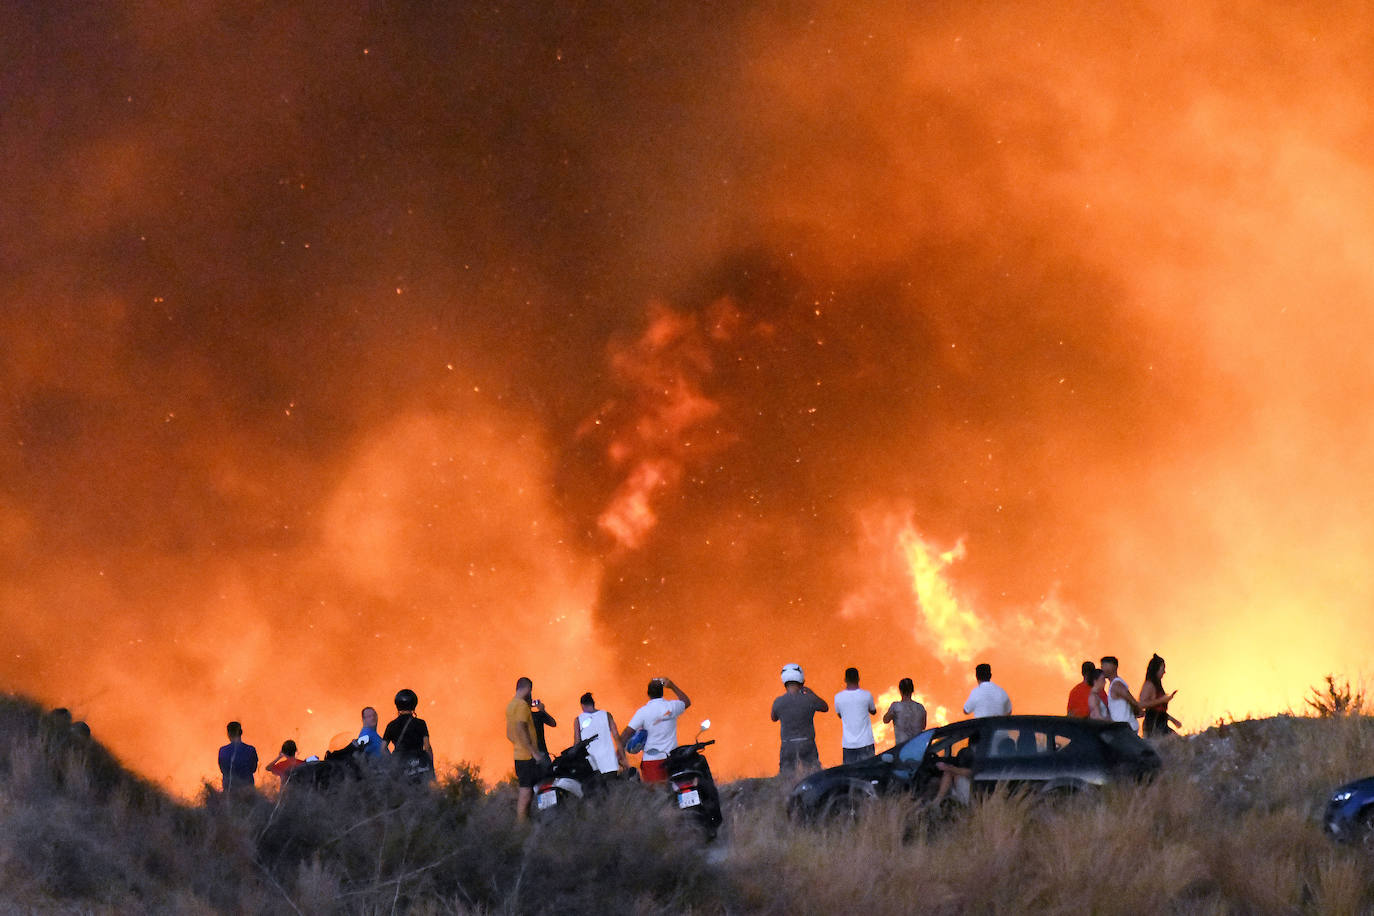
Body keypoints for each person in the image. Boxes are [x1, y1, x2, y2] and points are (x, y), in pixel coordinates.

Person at [621, 676, 691, 783]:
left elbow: (627, 733)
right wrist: (672, 686)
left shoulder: (643, 712)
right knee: (675, 790)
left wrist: (618, 752)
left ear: (648, 693)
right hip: (672, 759)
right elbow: (686, 701)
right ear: (662, 692)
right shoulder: (672, 706)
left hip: (651, 761)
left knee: (655, 794)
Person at [771, 663, 829, 775]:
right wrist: (812, 693)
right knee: (813, 775)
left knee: (786, 777)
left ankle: (787, 792)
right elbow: (825, 707)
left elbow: (773, 718)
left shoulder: (778, 701)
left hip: (787, 745)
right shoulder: (809, 699)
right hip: (807, 743)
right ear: (801, 679)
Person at [507, 677, 547, 822]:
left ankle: (524, 823)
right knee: (529, 791)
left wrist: (519, 745)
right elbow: (521, 728)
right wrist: (533, 752)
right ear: (528, 688)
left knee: (527, 791)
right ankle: (523, 825)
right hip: (527, 758)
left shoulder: (511, 705)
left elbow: (509, 734)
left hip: (519, 755)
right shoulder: (523, 706)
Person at [572, 692, 628, 776]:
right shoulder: (606, 715)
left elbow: (577, 742)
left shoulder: (578, 720)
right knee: (612, 787)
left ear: (582, 705)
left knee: (596, 788)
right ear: (593, 703)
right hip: (609, 763)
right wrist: (623, 758)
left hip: (591, 764)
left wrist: (573, 760)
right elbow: (616, 737)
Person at [382, 688, 433, 779]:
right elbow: (427, 747)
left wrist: (392, 761)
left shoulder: (391, 725)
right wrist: (431, 768)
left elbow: (383, 748)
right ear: (414, 704)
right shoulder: (420, 723)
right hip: (419, 765)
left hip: (400, 767)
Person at [834, 667, 877, 764]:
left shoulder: (838, 697)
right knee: (869, 771)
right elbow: (873, 711)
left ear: (845, 680)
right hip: (866, 742)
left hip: (848, 744)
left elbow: (840, 715)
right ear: (858, 679)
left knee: (850, 775)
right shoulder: (867, 695)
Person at [1139, 654, 1181, 737]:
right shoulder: (1149, 685)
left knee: (1179, 741)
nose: (1164, 672)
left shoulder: (1157, 685)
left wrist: (1173, 720)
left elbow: (1160, 710)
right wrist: (1162, 700)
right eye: (1163, 669)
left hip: (1161, 723)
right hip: (1153, 725)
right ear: (1156, 670)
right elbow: (1141, 704)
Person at [932, 732, 980, 806]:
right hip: (966, 785)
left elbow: (971, 772)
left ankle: (937, 802)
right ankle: (937, 802)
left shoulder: (981, 756)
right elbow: (958, 766)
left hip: (974, 788)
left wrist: (948, 768)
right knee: (947, 774)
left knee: (952, 773)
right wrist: (949, 768)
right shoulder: (965, 752)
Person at [882, 677, 928, 746]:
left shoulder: (896, 706)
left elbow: (885, 720)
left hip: (901, 750)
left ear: (900, 690)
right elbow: (923, 726)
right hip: (918, 749)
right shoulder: (920, 708)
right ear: (912, 690)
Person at [1101, 656, 1144, 728]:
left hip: (1124, 729)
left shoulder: (1116, 684)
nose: (1103, 668)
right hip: (1123, 728)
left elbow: (1130, 699)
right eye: (1102, 666)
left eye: (1105, 665)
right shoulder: (1115, 683)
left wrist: (1138, 710)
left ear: (1114, 667)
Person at [218, 721, 258, 793]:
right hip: (248, 791)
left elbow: (223, 770)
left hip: (229, 792)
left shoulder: (222, 751)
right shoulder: (251, 749)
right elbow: (253, 769)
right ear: (241, 732)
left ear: (228, 734)